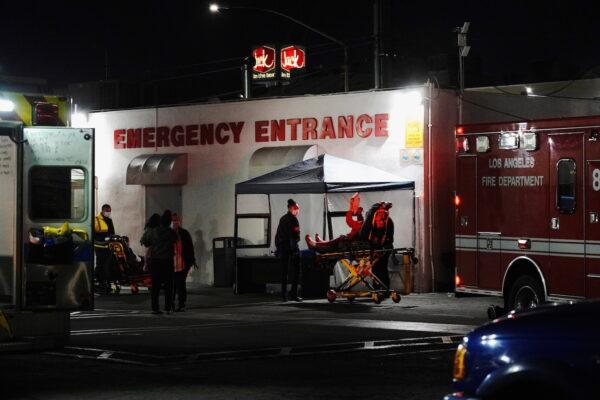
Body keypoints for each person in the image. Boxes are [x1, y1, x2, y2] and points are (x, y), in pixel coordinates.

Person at [141, 210, 177, 315]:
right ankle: (168, 308)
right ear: (169, 221)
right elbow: (175, 240)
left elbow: (145, 242)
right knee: (169, 286)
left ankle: (155, 308)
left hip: (155, 261)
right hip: (167, 261)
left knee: (155, 286)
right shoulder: (171, 232)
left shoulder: (153, 231)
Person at [275, 199, 302, 302]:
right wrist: (295, 250)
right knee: (296, 272)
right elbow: (294, 237)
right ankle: (293, 294)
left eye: (298, 208)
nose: (297, 210)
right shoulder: (294, 220)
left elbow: (277, 236)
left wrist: (278, 248)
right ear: (291, 209)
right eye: (296, 208)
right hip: (291, 249)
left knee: (284, 272)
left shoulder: (282, 219)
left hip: (283, 249)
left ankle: (284, 296)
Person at [171, 213, 196, 312]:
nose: (175, 223)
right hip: (171, 264)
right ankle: (171, 304)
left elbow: (190, 248)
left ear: (179, 222)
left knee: (181, 285)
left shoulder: (184, 233)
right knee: (172, 286)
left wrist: (190, 262)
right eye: (173, 221)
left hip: (182, 264)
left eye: (176, 220)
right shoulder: (167, 233)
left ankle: (181, 304)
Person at [94, 204, 115, 293]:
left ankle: (105, 281)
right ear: (103, 210)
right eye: (107, 211)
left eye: (109, 211)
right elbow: (94, 233)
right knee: (100, 264)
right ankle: (97, 280)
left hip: (108, 246)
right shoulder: (96, 219)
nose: (108, 213)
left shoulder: (109, 220)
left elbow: (112, 232)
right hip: (99, 246)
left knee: (107, 264)